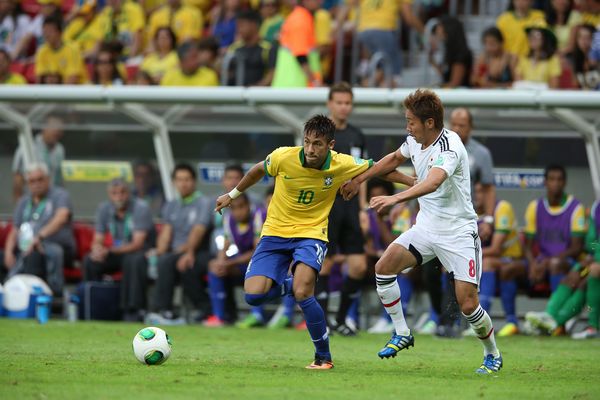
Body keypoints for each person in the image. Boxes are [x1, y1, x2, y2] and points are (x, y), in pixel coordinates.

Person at [214, 115, 411, 369]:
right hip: (275, 233)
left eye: (317, 144)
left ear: (330, 145)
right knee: (253, 296)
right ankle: (291, 285)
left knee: (305, 292)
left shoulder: (342, 163)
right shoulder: (284, 156)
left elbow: (382, 168)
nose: (310, 149)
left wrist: (414, 183)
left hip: (311, 234)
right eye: (307, 142)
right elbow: (256, 171)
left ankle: (323, 357)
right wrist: (232, 195)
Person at [340, 89, 503, 374]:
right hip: (427, 228)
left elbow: (433, 183)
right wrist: (359, 179)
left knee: (468, 304)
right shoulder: (415, 141)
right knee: (383, 267)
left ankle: (493, 354)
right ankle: (402, 332)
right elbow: (391, 160)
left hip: (458, 233)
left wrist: (394, 197)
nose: (407, 127)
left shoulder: (449, 147)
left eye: (411, 121)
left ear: (429, 122)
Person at [317, 82, 369, 336]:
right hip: (327, 206)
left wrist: (364, 209)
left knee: (358, 266)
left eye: (347, 102)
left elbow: (363, 173)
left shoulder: (357, 135)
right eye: (338, 102)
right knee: (324, 265)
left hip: (350, 208)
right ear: (329, 104)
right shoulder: (318, 134)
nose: (343, 107)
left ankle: (340, 319)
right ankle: (323, 322)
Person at [147, 163, 213, 324]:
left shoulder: (204, 203)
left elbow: (198, 231)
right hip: (176, 252)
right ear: (173, 182)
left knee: (170, 262)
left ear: (194, 181)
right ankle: (140, 310)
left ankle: (166, 311)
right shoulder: (171, 205)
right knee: (150, 260)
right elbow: (166, 231)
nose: (183, 183)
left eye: (187, 179)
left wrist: (187, 251)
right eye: (179, 180)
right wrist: (159, 250)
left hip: (198, 250)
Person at [83, 178, 155, 321]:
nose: (119, 196)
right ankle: (93, 305)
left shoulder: (140, 208)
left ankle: (132, 310)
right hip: (115, 251)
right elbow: (98, 238)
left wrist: (108, 250)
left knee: (133, 261)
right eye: (114, 193)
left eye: (122, 192)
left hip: (140, 252)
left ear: (129, 193)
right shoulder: (104, 208)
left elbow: (137, 243)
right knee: (90, 261)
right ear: (109, 195)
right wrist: (97, 249)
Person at [3, 163, 75, 295]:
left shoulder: (60, 195)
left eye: (40, 179)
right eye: (32, 181)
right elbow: (15, 229)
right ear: (27, 183)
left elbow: (61, 218)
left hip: (57, 246)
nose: (36, 184)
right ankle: (7, 296)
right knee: (5, 256)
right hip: (27, 246)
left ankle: (52, 295)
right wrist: (8, 252)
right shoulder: (24, 201)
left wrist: (39, 238)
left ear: (48, 179)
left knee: (36, 255)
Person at [473, 183, 526, 337]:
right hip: (487, 261)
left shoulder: (502, 208)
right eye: (475, 192)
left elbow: (496, 250)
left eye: (482, 191)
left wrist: (466, 256)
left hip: (514, 261)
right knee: (450, 267)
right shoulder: (470, 212)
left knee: (488, 263)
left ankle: (483, 322)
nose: (478, 196)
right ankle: (447, 321)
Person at [363, 178, 415, 334]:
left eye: (381, 197)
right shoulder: (367, 216)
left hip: (403, 261)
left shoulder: (401, 214)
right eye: (374, 198)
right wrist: (376, 253)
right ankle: (349, 319)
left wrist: (379, 220)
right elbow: (366, 245)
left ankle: (389, 320)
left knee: (403, 270)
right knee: (353, 267)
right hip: (377, 261)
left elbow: (394, 243)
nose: (379, 203)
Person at [207, 194, 267, 327]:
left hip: (262, 265)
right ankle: (219, 317)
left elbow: (258, 251)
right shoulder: (228, 219)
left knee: (256, 269)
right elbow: (226, 244)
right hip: (242, 265)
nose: (238, 212)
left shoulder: (258, 216)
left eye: (241, 207)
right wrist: (221, 263)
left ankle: (257, 315)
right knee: (215, 269)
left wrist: (229, 263)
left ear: (248, 206)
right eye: (233, 208)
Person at [524, 165, 585, 294]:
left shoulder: (575, 208)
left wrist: (548, 262)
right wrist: (532, 264)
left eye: (559, 179)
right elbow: (527, 246)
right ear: (545, 182)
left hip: (568, 262)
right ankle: (510, 314)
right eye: (552, 179)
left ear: (565, 182)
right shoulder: (534, 207)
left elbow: (576, 248)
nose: (555, 183)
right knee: (508, 269)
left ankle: (554, 312)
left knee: (555, 263)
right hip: (541, 261)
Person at [349, 0, 424, 87]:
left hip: (364, 30)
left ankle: (362, 88)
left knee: (381, 68)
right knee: (393, 73)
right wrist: (424, 32)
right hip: (383, 29)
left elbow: (351, 3)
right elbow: (408, 17)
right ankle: (385, 96)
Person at [12, 115, 66, 202]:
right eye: (54, 129)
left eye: (59, 131)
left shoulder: (59, 149)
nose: (57, 133)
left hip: (53, 200)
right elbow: (18, 178)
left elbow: (60, 177)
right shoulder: (28, 147)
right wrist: (19, 204)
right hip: (31, 199)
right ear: (44, 128)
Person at [271, 0, 322, 87]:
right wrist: (314, 81)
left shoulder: (300, 17)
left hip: (291, 85)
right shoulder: (300, 20)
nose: (320, 1)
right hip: (295, 86)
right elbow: (301, 56)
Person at [226, 10, 276, 86]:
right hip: (236, 94)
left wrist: (257, 88)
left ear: (253, 25)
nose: (239, 30)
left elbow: (273, 72)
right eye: (238, 26)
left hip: (260, 95)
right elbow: (227, 72)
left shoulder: (268, 48)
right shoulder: (234, 48)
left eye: (242, 25)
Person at [35, 16, 88, 84]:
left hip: (77, 92)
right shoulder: (42, 51)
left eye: (50, 31)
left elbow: (73, 79)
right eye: (45, 31)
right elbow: (40, 79)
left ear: (60, 32)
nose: (47, 35)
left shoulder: (73, 49)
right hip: (52, 92)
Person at [429, 16, 472, 88]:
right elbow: (445, 74)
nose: (438, 29)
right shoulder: (450, 51)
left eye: (440, 25)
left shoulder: (460, 53)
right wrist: (431, 57)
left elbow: (455, 83)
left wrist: (435, 88)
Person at [571, 24, 599, 90]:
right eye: (580, 37)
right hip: (583, 98)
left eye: (587, 37)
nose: (583, 41)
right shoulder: (576, 58)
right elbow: (576, 86)